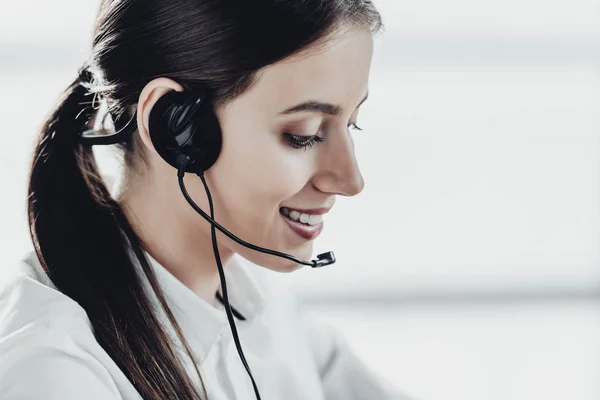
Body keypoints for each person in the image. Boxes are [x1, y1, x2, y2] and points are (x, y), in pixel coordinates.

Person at [0, 1, 415, 399]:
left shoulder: (260, 304)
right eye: (302, 134)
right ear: (176, 127)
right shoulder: (52, 372)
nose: (350, 180)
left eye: (352, 125)